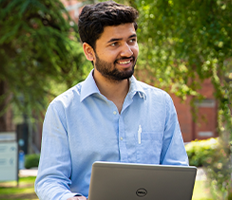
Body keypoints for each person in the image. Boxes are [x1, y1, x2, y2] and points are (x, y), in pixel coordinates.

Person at [34, 1, 189, 200]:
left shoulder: (162, 104)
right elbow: (49, 180)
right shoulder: (62, 109)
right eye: (114, 44)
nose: (127, 52)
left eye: (131, 40)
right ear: (89, 51)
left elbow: (177, 170)